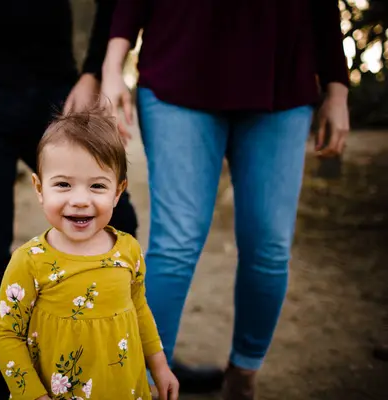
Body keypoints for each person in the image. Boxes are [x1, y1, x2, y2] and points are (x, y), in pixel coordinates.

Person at [0, 1, 222, 398]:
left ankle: (139, 355)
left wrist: (92, 71)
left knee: (119, 227)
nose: (77, 200)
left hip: (54, 81)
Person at [100, 1, 350, 399]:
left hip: (281, 81)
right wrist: (112, 67)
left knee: (269, 246)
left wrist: (337, 86)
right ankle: (143, 383)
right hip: (178, 72)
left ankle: (244, 371)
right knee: (176, 243)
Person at [0, 108, 179, 400]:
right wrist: (32, 394)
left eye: (97, 186)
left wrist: (160, 366)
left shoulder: (128, 250)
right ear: (40, 189)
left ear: (118, 192)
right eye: (63, 184)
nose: (80, 200)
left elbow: (140, 309)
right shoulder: (29, 261)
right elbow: (6, 334)